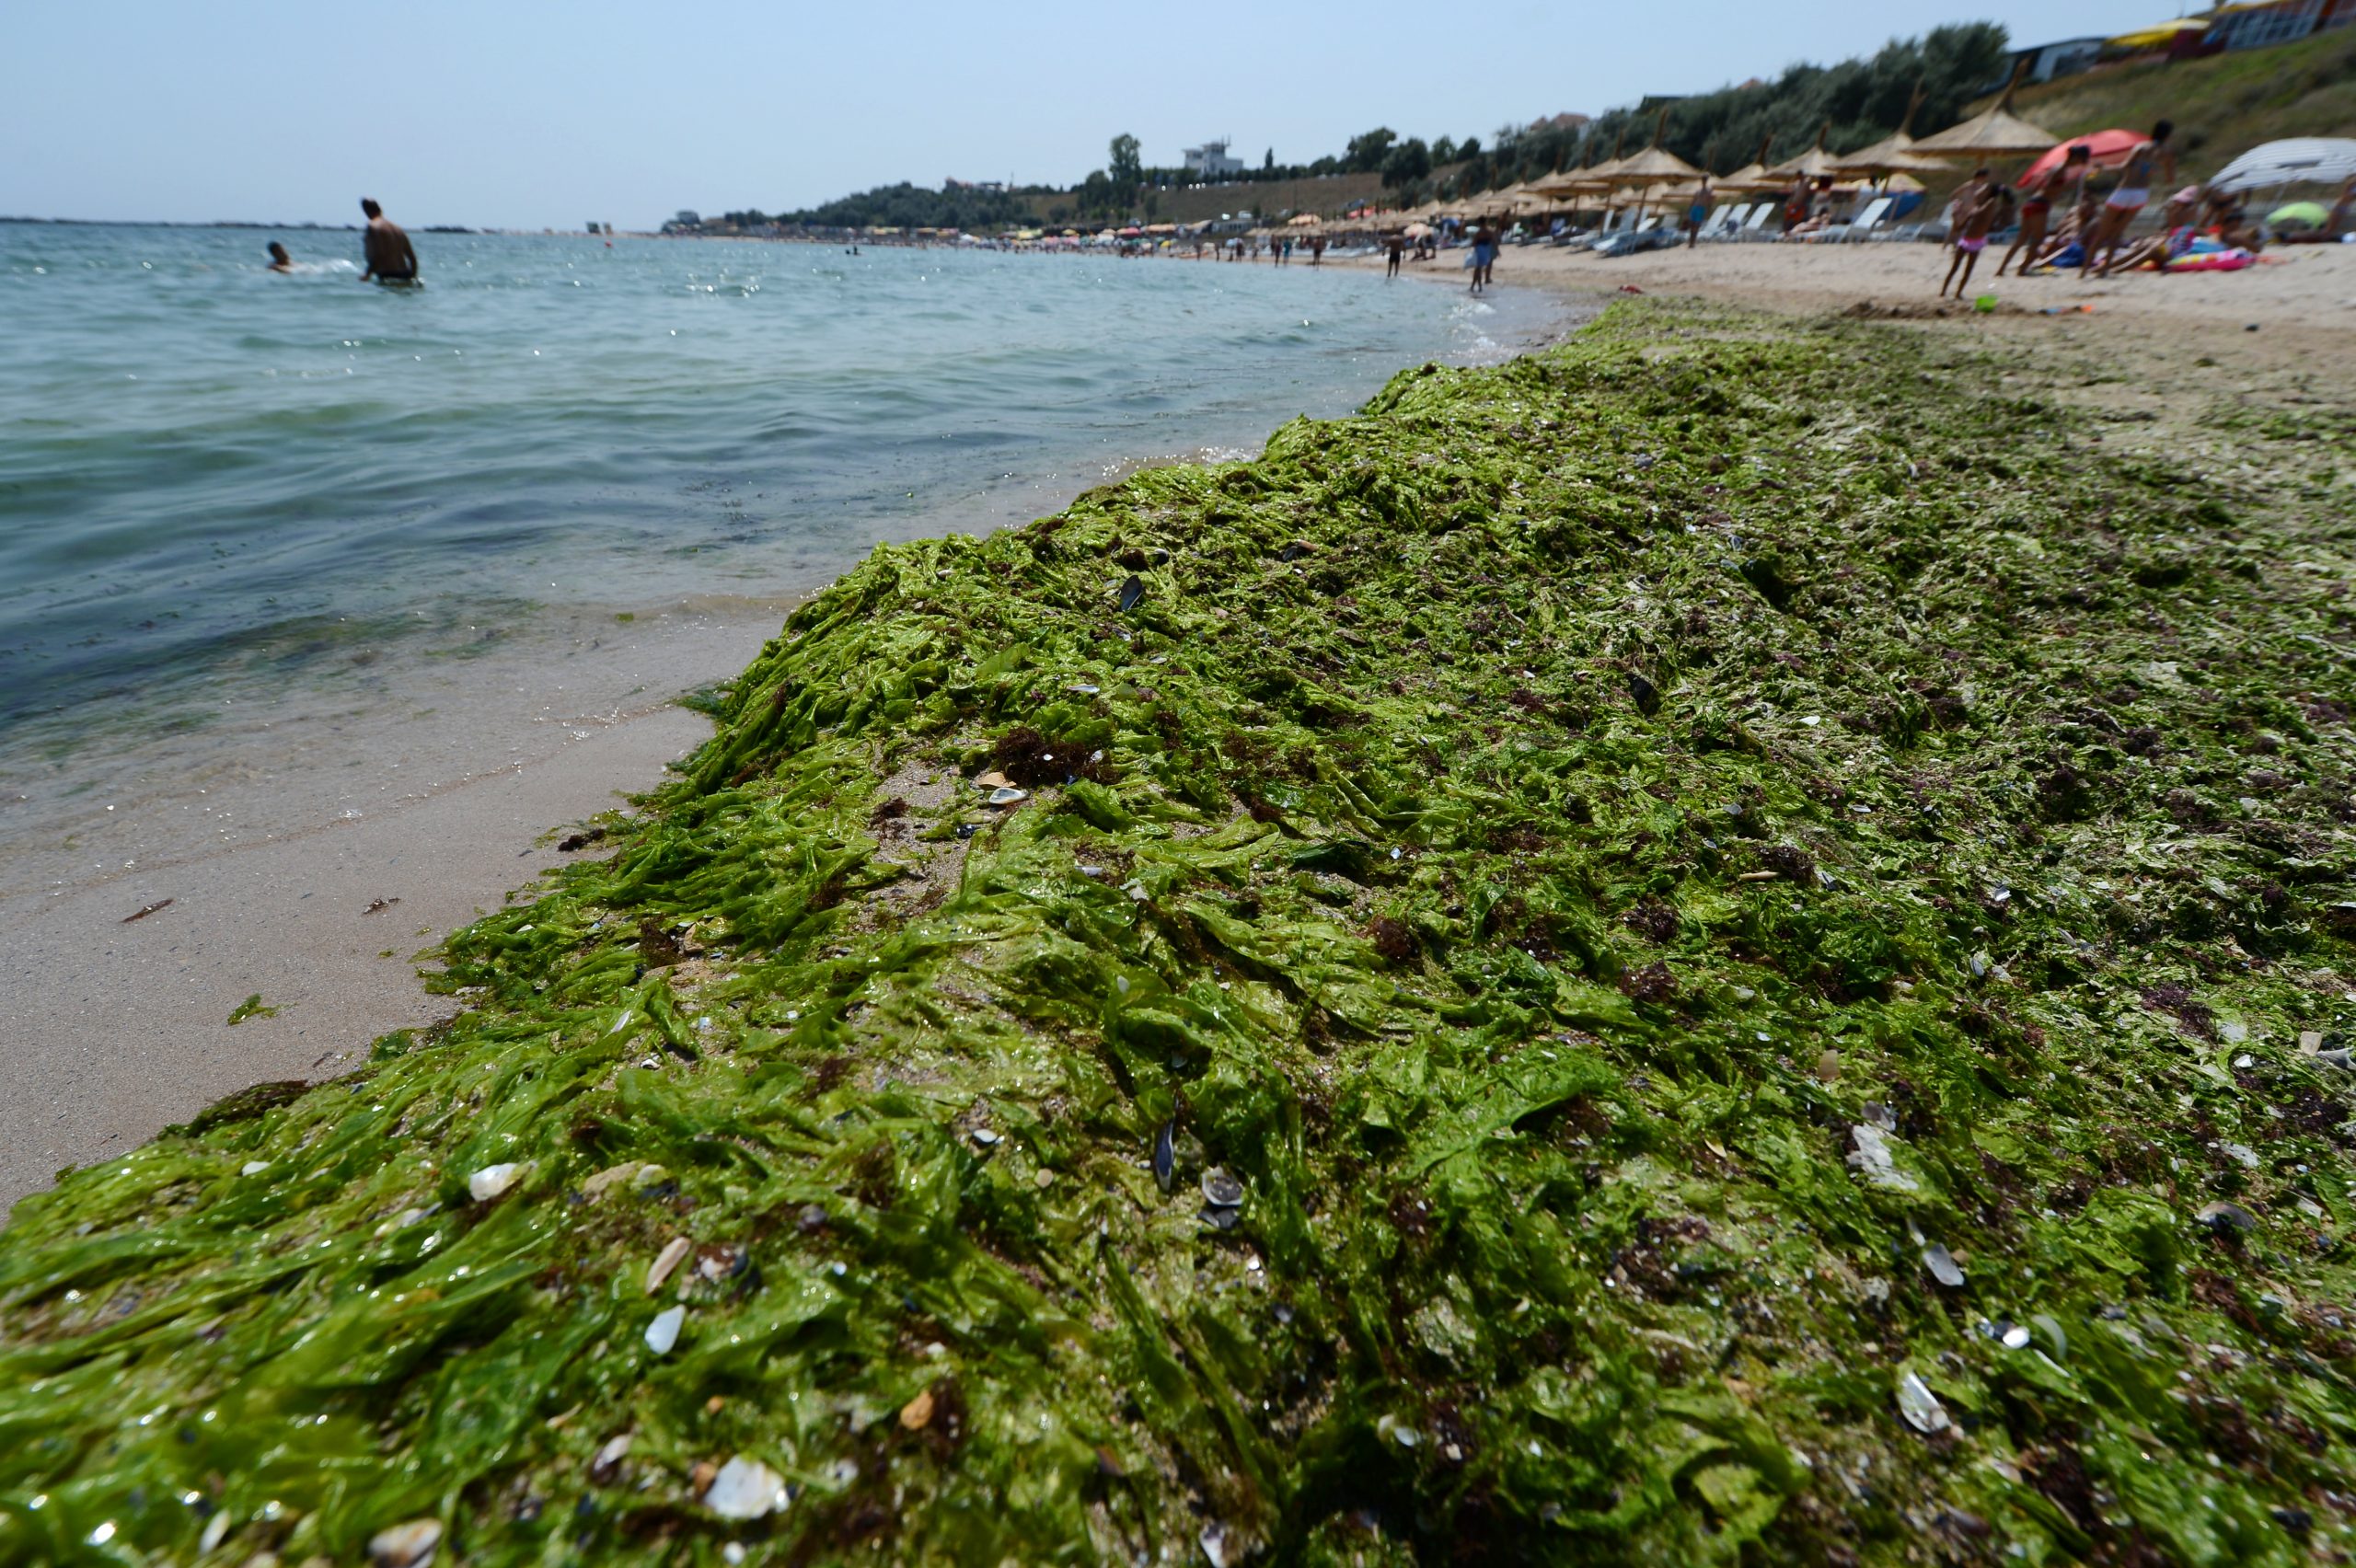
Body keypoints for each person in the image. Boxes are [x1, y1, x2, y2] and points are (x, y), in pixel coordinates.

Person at [2082, 121, 2177, 278]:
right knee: (2117, 234)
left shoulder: (2141, 147)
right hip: (2141, 195)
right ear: (2168, 135)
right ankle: (2104, 271)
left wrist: (2102, 167)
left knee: (2102, 234)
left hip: (2124, 191)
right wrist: (2154, 169)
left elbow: (2123, 166)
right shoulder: (2167, 153)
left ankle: (2084, 271)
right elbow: (2170, 179)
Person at [1998, 144, 2089, 277]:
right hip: (2040, 205)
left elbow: (2044, 187)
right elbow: (2049, 188)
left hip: (2033, 203)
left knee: (2021, 240)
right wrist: (2067, 186)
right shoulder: (2061, 169)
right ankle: (2022, 269)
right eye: (2081, 160)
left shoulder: (2057, 167)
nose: (2081, 163)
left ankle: (2001, 269)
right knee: (2038, 240)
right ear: (2076, 157)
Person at [1939, 184, 2012, 298]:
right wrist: (1955, 216)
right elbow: (1959, 228)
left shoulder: (1990, 204)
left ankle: (1958, 293)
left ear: (1987, 192)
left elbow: (1989, 201)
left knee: (1968, 270)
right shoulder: (1974, 210)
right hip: (1965, 241)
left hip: (1977, 242)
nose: (1978, 191)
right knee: (1954, 268)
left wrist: (1998, 190)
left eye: (1982, 189)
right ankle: (1943, 292)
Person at [359, 198, 419, 283]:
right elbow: (412, 258)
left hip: (387, 276)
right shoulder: (398, 229)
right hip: (406, 275)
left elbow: (379, 254)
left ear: (366, 210)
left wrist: (367, 274)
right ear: (380, 209)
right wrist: (412, 277)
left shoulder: (372, 226)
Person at [1685, 179, 1714, 248]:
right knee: (1692, 226)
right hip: (1695, 208)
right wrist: (1689, 210)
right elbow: (1693, 200)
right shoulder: (1699, 191)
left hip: (1701, 208)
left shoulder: (1708, 191)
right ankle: (1691, 242)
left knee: (1696, 226)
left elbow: (1709, 202)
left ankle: (1693, 242)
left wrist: (1708, 211)